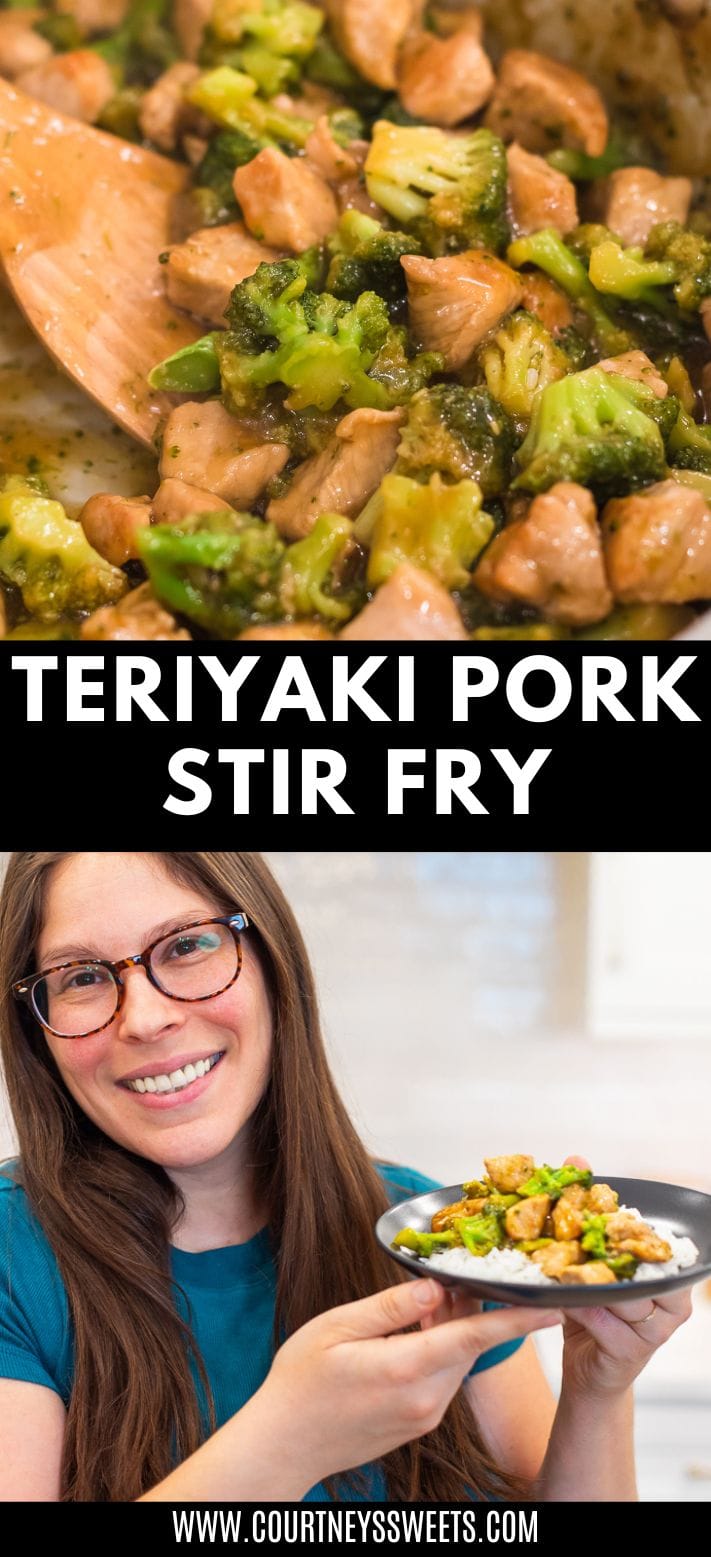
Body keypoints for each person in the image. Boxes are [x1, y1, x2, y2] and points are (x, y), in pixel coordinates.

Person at [0, 852, 691, 1503]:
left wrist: (599, 1387)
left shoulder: (430, 1229)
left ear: (272, 960)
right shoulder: (12, 1258)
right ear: (37, 1025)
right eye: (82, 977)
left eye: (186, 945)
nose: (147, 1018)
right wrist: (283, 1447)